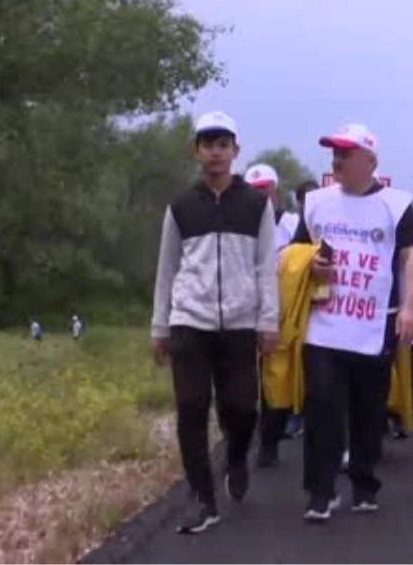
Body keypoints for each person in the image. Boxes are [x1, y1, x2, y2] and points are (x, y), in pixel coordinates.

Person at [150, 110, 279, 535]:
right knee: (190, 408)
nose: (215, 153)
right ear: (197, 151)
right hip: (190, 320)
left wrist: (269, 320)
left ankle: (237, 457)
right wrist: (160, 327)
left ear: (235, 151)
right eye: (208, 144)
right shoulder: (181, 206)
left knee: (243, 409)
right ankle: (202, 499)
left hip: (241, 322)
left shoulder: (256, 204)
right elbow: (167, 269)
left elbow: (266, 267)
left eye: (223, 145)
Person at [286, 123, 413, 521]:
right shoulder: (315, 203)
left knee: (369, 410)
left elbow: (411, 256)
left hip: (375, 323)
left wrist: (411, 307)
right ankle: (320, 491)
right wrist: (310, 262)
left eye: (346, 153)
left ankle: (364, 482)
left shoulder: (396, 206)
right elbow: (294, 254)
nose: (337, 159)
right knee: (322, 404)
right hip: (324, 323)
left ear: (370, 161)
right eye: (334, 152)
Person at [245, 163, 293, 467]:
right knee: (245, 381)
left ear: (275, 190)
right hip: (245, 310)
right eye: (255, 191)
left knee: (277, 379)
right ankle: (243, 440)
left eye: (266, 190)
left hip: (283, 312)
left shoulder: (292, 223)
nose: (261, 196)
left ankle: (270, 440)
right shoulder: (239, 224)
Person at [282, 179, 320, 440]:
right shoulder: (299, 227)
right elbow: (291, 259)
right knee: (299, 361)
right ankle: (296, 415)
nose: (309, 206)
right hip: (301, 305)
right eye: (305, 202)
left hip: (330, 307)